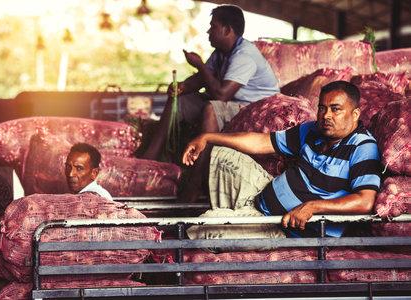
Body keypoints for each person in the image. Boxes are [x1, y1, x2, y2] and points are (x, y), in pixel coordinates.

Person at [183, 81, 381, 237]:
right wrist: (207, 137)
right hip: (259, 200)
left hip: (284, 229)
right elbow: (261, 142)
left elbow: (365, 202)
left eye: (335, 109)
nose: (326, 115)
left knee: (201, 231)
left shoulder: (363, 147)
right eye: (322, 108)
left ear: (355, 114)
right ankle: (237, 213)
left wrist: (313, 206)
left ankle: (233, 218)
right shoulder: (312, 130)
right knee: (222, 152)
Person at [141, 4, 279, 203]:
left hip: (253, 108)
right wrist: (182, 87)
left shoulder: (244, 55)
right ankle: (151, 156)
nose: (208, 31)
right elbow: (202, 80)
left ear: (228, 30)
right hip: (231, 104)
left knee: (211, 109)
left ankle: (196, 183)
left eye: (213, 27)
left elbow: (221, 94)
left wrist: (198, 64)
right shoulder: (221, 52)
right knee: (178, 100)